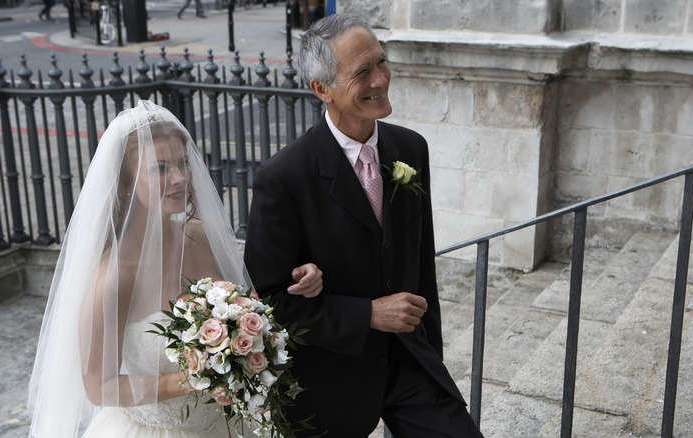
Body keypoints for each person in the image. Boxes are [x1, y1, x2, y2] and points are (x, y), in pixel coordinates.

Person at [244, 14, 485, 438]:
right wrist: (368, 314)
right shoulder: (283, 178)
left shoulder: (411, 147)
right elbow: (273, 305)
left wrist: (432, 355)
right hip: (330, 380)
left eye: (381, 62)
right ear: (322, 89)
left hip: (410, 363)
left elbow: (420, 266)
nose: (380, 79)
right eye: (362, 72)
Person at [27, 100, 323, 437]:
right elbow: (98, 386)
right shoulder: (114, 276)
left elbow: (250, 300)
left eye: (183, 163)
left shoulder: (200, 236)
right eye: (161, 168)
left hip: (227, 424)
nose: (180, 177)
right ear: (126, 184)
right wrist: (191, 377)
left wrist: (297, 278)